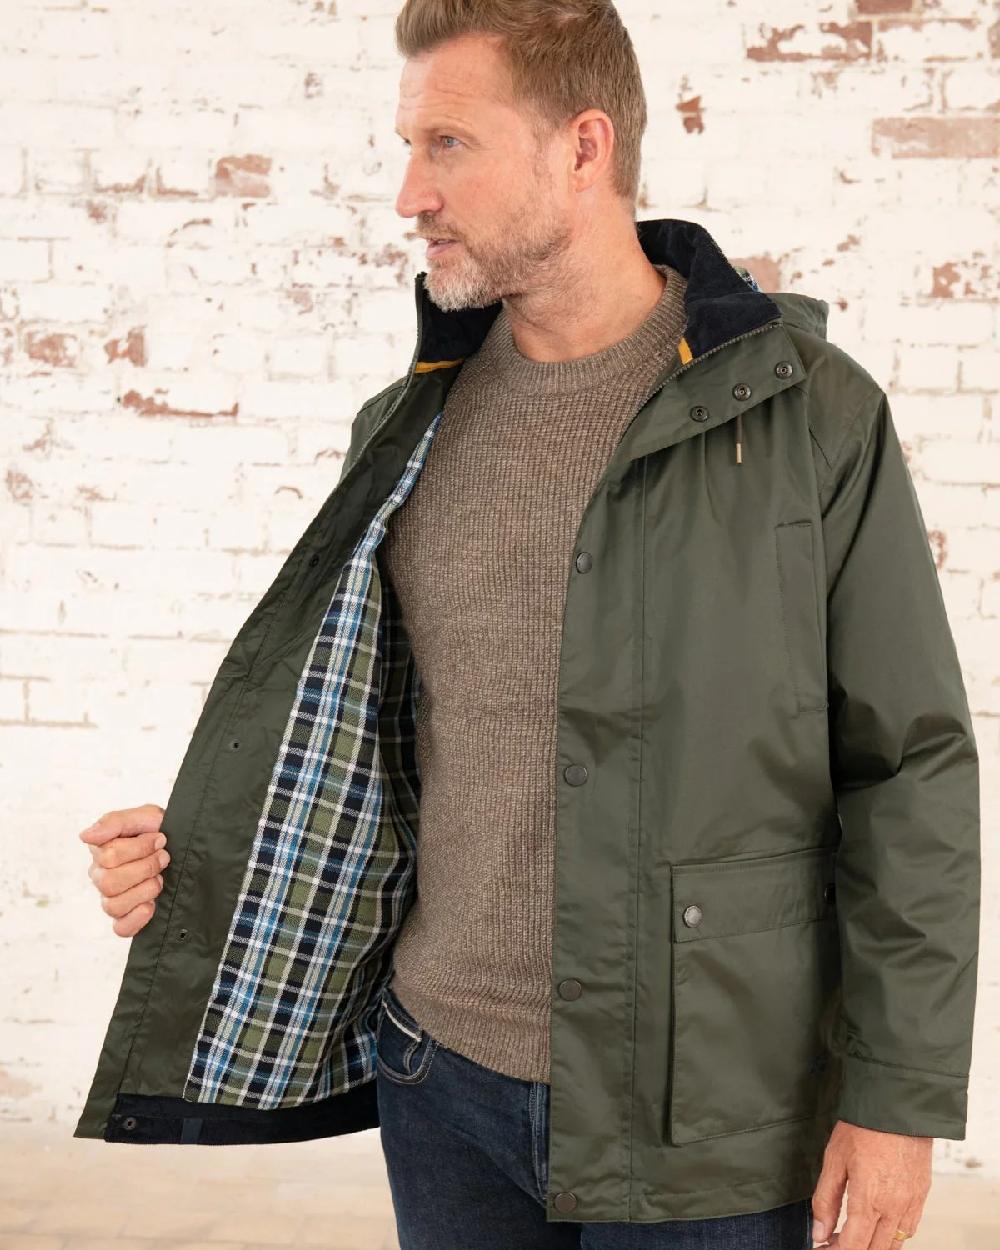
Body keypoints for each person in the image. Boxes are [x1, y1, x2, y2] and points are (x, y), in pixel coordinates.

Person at [78, 3, 981, 1249]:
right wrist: (197, 856)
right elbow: (366, 749)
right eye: (408, 148)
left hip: (714, 1111)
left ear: (582, 146)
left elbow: (908, 768)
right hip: (439, 1082)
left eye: (448, 144)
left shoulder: (803, 415)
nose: (410, 194)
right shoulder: (408, 430)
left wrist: (897, 1099)